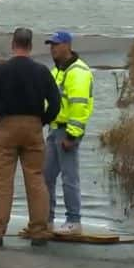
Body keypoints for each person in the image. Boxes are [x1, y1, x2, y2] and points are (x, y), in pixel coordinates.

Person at [0, 28, 61, 247]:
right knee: (36, 179)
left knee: (1, 182)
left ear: (13, 44)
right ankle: (38, 232)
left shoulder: (1, 70)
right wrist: (42, 120)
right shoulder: (42, 71)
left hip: (6, 125)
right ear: (31, 46)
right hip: (33, 125)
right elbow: (55, 103)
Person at [43, 31, 94, 235]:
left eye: (56, 44)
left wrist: (72, 135)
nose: (52, 48)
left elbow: (80, 106)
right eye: (50, 45)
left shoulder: (78, 71)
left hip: (67, 132)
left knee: (69, 177)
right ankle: (46, 219)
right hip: (54, 129)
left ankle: (74, 220)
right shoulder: (58, 71)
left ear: (67, 45)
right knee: (46, 175)